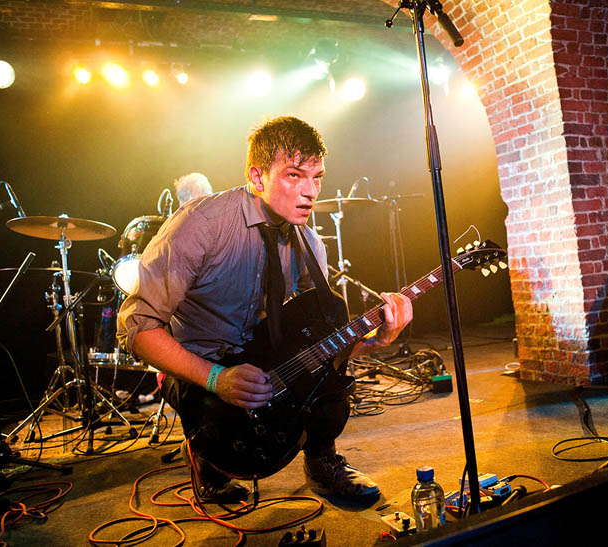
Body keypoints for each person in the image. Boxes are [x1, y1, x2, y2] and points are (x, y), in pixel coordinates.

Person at [117, 116, 413, 501]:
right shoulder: (201, 224)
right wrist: (215, 379)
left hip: (264, 358)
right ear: (258, 178)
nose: (310, 192)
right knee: (220, 439)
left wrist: (374, 342)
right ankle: (208, 461)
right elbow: (138, 327)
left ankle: (322, 459)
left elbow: (321, 339)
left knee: (330, 378)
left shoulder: (310, 243)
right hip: (198, 366)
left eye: (317, 177)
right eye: (294, 176)